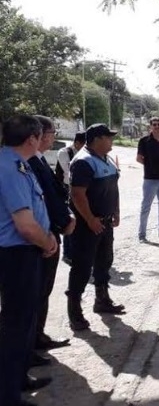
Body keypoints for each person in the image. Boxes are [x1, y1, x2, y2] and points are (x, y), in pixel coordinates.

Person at [0, 115, 57, 406]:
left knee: (24, 322)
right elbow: (24, 225)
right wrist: (47, 242)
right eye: (40, 135)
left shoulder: (18, 163)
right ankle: (9, 396)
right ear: (32, 138)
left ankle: (19, 378)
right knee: (16, 325)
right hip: (17, 254)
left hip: (25, 251)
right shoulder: (9, 168)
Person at [66, 123, 124, 331]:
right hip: (87, 225)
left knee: (104, 261)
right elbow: (77, 194)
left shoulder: (106, 158)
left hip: (105, 222)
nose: (111, 140)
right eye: (108, 137)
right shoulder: (83, 161)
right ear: (97, 139)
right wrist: (90, 219)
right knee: (82, 266)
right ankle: (74, 312)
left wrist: (116, 211)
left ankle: (102, 300)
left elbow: (113, 187)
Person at [27, 116, 75, 357]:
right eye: (52, 132)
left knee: (43, 290)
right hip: (39, 236)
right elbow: (46, 198)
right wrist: (65, 222)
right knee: (33, 294)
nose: (54, 136)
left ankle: (38, 336)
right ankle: (28, 347)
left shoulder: (39, 159)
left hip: (49, 232)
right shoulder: (27, 163)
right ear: (41, 135)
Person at [56, 132, 85, 265]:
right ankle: (67, 253)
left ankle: (78, 251)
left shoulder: (85, 153)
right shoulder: (64, 152)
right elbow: (69, 173)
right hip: (65, 190)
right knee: (69, 220)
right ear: (77, 143)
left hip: (79, 189)